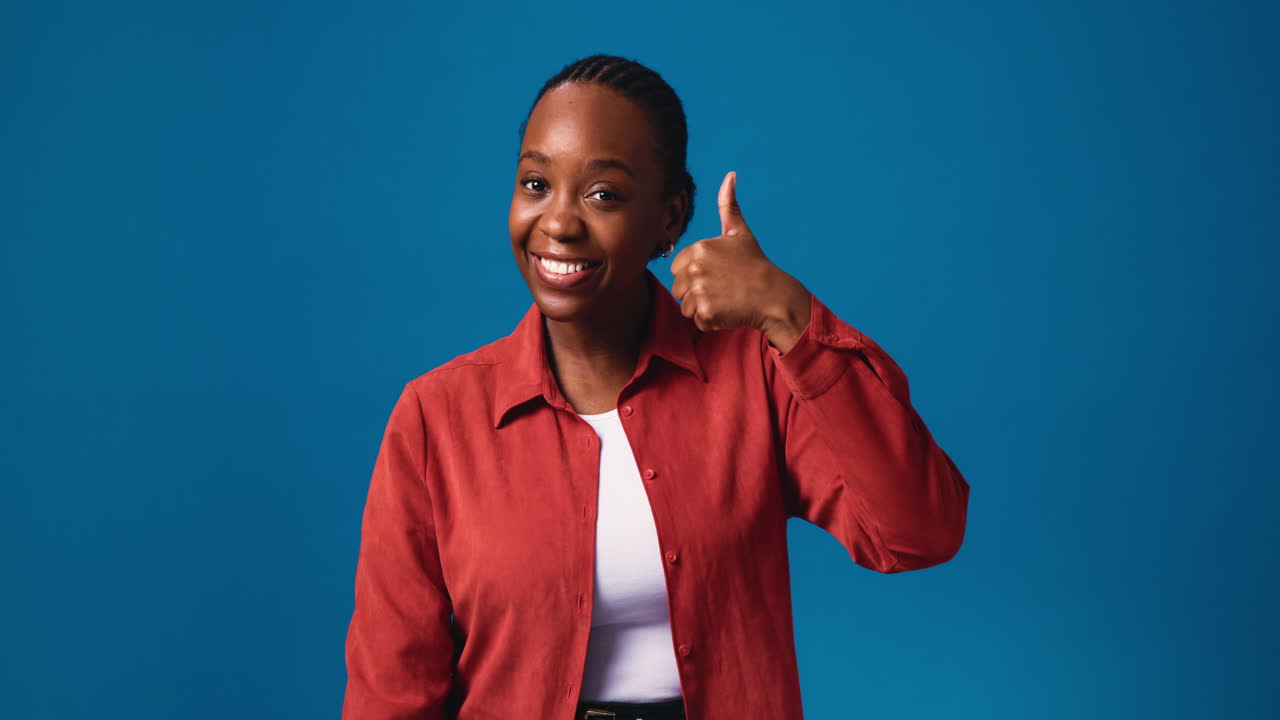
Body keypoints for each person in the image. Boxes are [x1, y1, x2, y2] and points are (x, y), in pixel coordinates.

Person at [342, 54, 970, 720]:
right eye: (534, 184)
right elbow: (392, 688)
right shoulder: (435, 418)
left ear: (670, 219)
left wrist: (792, 316)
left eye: (603, 194)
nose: (558, 222)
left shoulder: (754, 374)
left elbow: (918, 532)